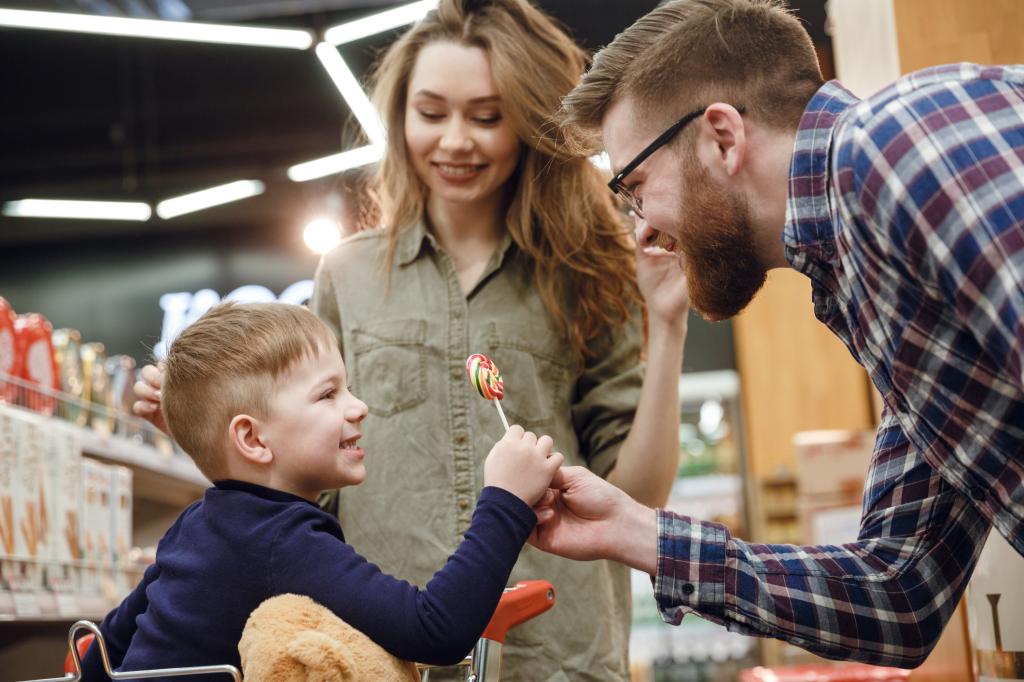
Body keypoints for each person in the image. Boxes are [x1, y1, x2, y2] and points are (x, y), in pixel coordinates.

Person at [135, 1, 688, 678]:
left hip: (556, 654)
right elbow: (300, 483)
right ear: (399, 120)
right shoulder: (348, 273)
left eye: (487, 116)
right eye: (432, 113)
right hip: (383, 653)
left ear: (526, 120)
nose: (456, 140)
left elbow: (636, 494)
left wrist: (668, 324)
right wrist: (204, 425)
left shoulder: (583, 272)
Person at [528, 0, 1024, 669]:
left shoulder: (891, 144)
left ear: (722, 138)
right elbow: (898, 595)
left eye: (635, 186)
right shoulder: (863, 279)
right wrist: (637, 532)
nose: (641, 228)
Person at [87, 301, 562, 680]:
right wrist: (505, 501)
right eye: (327, 394)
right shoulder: (283, 540)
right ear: (252, 439)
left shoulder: (198, 525)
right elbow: (434, 629)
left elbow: (107, 645)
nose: (359, 407)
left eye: (347, 387)